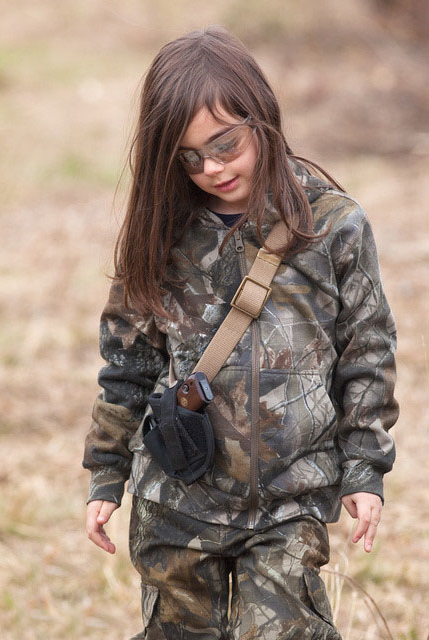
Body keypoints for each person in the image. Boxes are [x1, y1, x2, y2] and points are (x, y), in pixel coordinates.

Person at [83, 26, 399, 640]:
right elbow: (127, 363)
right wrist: (106, 473)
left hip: (290, 497)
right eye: (189, 157)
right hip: (177, 499)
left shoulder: (332, 225)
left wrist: (365, 470)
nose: (212, 168)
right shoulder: (160, 231)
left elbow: (368, 352)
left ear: (262, 117)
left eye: (225, 145)